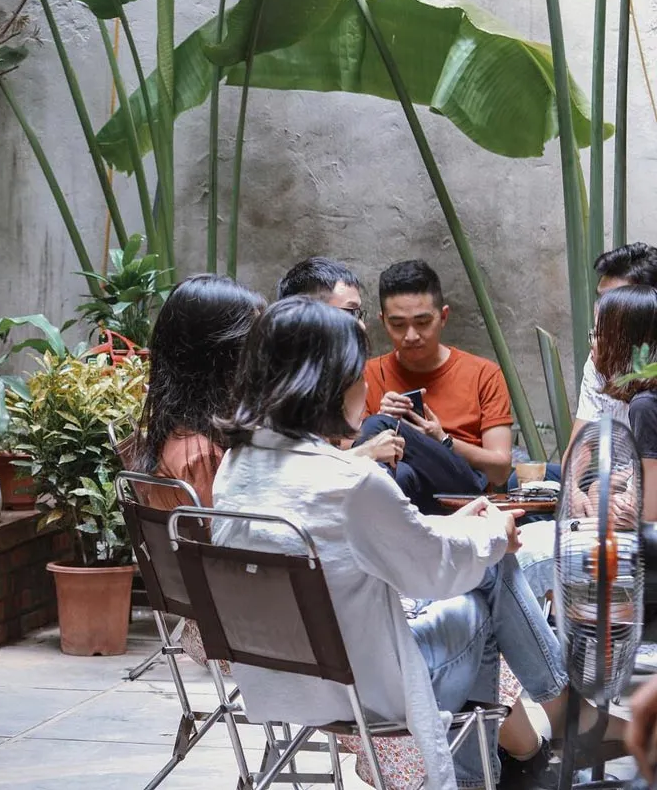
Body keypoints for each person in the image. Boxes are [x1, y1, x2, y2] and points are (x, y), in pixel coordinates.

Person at [211, 296, 625, 790]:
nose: (364, 385)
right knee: (489, 577)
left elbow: (399, 546)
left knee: (484, 563)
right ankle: (554, 720)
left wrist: (465, 527)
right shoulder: (349, 481)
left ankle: (533, 745)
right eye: (355, 373)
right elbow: (435, 570)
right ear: (328, 385)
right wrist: (493, 532)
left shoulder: (237, 467)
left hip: (280, 678)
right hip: (368, 688)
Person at [360, 260, 515, 511]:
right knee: (397, 469)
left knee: (380, 425)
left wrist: (442, 439)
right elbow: (345, 453)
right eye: (398, 325)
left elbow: (500, 470)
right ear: (383, 321)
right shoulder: (367, 374)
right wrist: (384, 419)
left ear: (443, 317)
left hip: (462, 495)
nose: (411, 336)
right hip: (401, 496)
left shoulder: (483, 374)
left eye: (422, 322)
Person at [276, 257, 413, 487]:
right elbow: (290, 478)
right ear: (310, 312)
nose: (361, 326)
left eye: (359, 314)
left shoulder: (330, 376)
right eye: (350, 312)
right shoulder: (285, 382)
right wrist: (364, 454)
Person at [135, 273, 266, 506]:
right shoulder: (202, 456)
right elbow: (225, 537)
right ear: (219, 356)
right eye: (253, 343)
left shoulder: (185, 429)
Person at [571, 242, 657, 442]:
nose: (600, 311)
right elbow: (578, 454)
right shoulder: (601, 357)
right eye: (600, 299)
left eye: (614, 300)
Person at [589, 284, 657, 519]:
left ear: (622, 344)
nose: (593, 343)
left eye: (597, 334)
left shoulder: (645, 406)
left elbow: (648, 514)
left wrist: (619, 511)